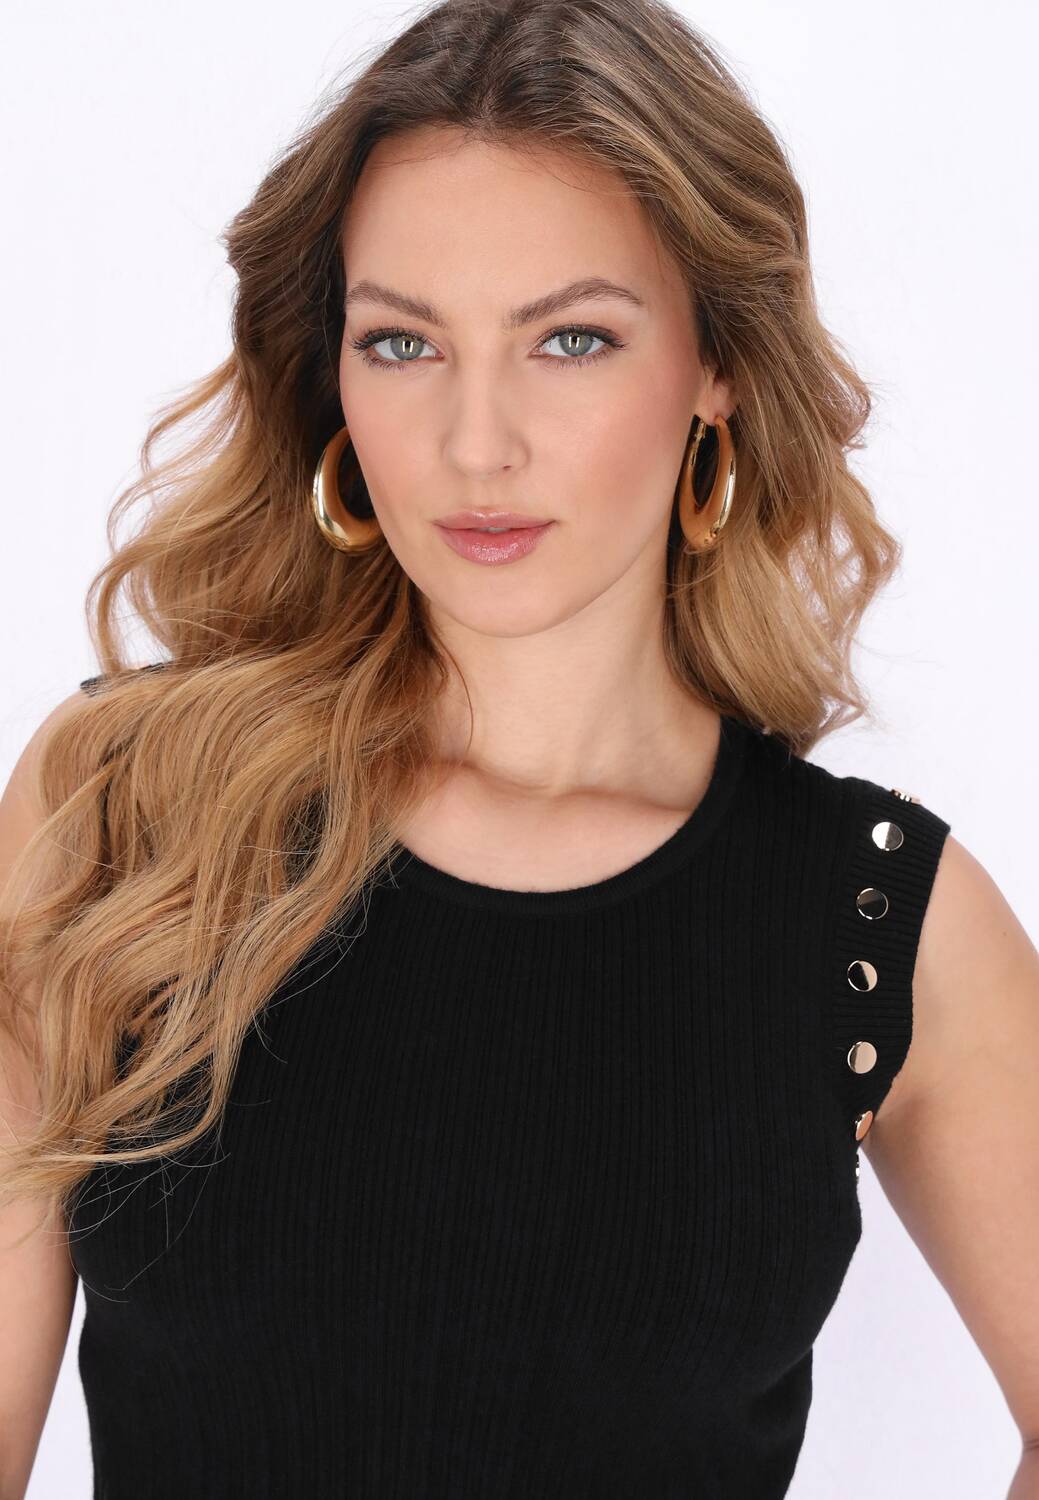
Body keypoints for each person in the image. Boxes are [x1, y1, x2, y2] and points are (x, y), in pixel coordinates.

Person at [2, 1, 1037, 1496]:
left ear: (719, 365)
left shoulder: (877, 922)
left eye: (570, 339)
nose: (476, 442)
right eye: (403, 341)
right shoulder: (124, 805)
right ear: (333, 374)